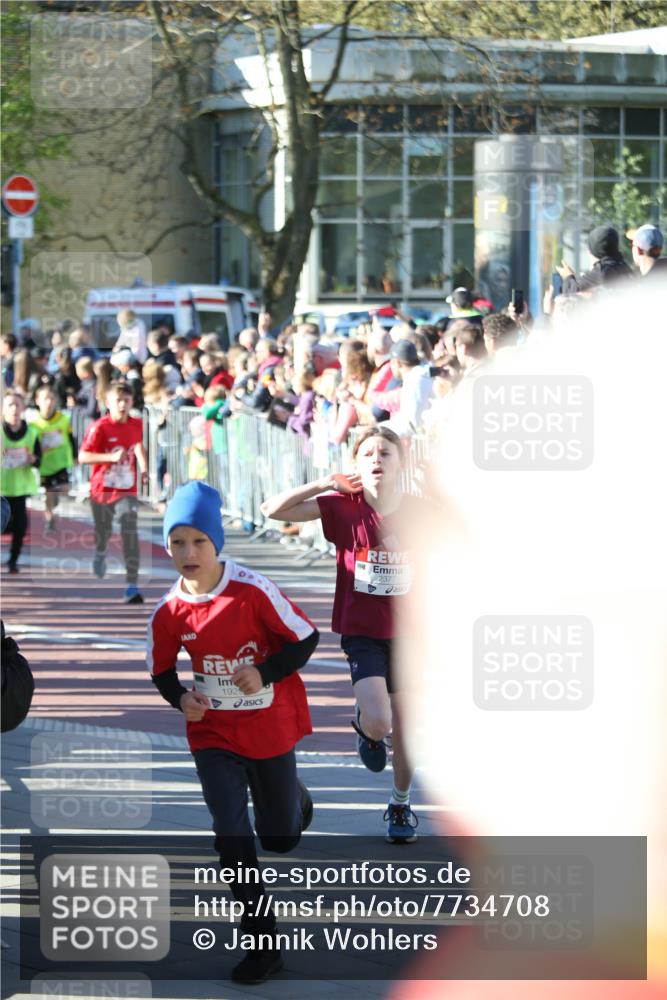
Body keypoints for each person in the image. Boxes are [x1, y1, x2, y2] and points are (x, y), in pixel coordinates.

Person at [148, 481, 319, 984]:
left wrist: (263, 673)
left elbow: (306, 637)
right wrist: (181, 698)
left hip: (267, 727)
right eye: (177, 542)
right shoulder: (169, 611)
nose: (188, 552)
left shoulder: (251, 590)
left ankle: (293, 799)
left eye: (199, 541)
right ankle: (263, 946)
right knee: (230, 834)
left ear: (217, 543)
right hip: (214, 735)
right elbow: (160, 671)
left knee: (281, 838)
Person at [261, 425, 423, 845]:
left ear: (400, 462)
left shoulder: (419, 509)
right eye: (367, 453)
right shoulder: (342, 505)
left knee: (407, 729)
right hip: (363, 632)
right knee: (381, 721)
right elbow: (270, 510)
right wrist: (321, 483)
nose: (376, 460)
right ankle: (367, 727)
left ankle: (400, 804)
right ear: (356, 464)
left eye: (385, 453)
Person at [78, 382, 148, 603]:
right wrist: (109, 458)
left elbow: (137, 445)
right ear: (108, 403)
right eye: (118, 400)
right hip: (102, 489)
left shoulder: (136, 424)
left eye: (126, 400)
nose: (122, 405)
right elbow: (83, 457)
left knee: (130, 530)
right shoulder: (99, 427)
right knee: (104, 531)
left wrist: (144, 469)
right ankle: (100, 552)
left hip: (126, 488)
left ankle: (132, 585)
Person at [1, 390, 41, 573]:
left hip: (20, 487)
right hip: (1, 488)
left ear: (23, 408)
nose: (14, 409)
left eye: (17, 405)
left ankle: (13, 560)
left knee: (20, 527)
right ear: (3, 409)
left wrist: (33, 459)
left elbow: (39, 459)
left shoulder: (31, 432)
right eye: (10, 405)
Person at [30, 385, 76, 533]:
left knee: (64, 489)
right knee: (48, 492)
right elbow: (32, 445)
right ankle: (49, 520)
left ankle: (56, 498)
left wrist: (75, 455)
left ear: (56, 400)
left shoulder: (63, 419)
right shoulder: (34, 424)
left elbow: (70, 437)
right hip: (45, 465)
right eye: (45, 399)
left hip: (61, 461)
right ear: (38, 401)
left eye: (51, 399)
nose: (49, 402)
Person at [383, 339, 435, 437]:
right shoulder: (417, 376)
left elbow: (413, 425)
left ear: (397, 362)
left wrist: (379, 430)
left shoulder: (416, 380)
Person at [559, 224, 632, 291]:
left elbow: (573, 291)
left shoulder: (603, 270)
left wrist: (568, 277)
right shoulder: (624, 266)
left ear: (593, 251)